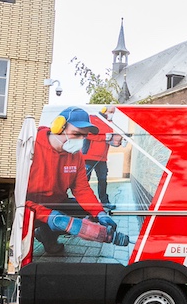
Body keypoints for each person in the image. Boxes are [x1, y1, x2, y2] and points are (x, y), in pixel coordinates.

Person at [25, 107, 123, 255]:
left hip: (56, 203)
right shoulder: (31, 147)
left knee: (86, 213)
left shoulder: (76, 156)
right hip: (28, 205)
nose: (80, 140)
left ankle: (47, 236)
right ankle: (37, 235)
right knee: (55, 220)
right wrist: (50, 216)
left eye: (83, 136)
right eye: (76, 134)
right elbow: (17, 196)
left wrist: (100, 213)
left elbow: (82, 189)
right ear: (59, 127)